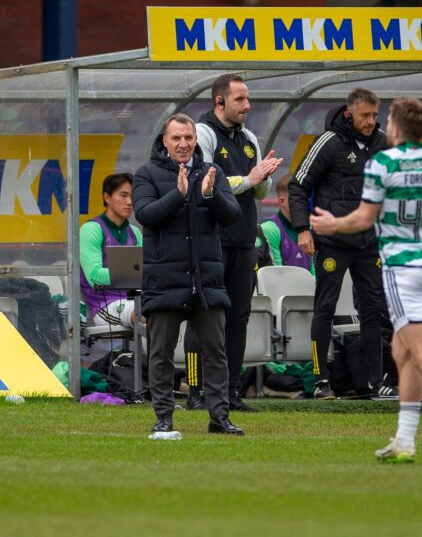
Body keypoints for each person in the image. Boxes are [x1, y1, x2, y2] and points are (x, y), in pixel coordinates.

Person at [311, 97, 422, 465]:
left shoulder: (383, 163)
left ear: (394, 127)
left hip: (403, 268)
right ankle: (404, 440)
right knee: (403, 352)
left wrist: (331, 225)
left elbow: (362, 218)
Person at [133, 113, 242, 439]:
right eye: (176, 138)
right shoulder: (147, 174)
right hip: (164, 281)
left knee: (215, 354)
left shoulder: (213, 172)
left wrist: (210, 195)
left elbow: (233, 215)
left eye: (189, 138)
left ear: (196, 140)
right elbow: (146, 216)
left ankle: (219, 418)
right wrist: (178, 195)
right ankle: (164, 418)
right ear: (164, 141)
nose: (183, 144)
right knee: (161, 354)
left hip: (205, 280)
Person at [289, 88, 394, 399]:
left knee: (372, 309)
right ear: (349, 113)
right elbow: (298, 185)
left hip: (369, 241)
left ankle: (375, 382)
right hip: (333, 240)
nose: (371, 122)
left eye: (375, 115)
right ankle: (321, 381)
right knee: (325, 306)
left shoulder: (383, 143)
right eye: (365, 115)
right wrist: (302, 229)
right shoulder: (329, 142)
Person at [195, 74, 281, 412]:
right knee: (205, 315)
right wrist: (250, 178)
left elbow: (258, 191)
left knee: (238, 318)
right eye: (240, 99)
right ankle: (197, 390)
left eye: (247, 98)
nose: (248, 105)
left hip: (244, 240)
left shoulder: (248, 138)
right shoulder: (203, 133)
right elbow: (206, 182)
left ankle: (229, 393)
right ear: (220, 102)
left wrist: (265, 177)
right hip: (212, 239)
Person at [79, 173, 143, 327]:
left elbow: (144, 270)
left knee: (167, 309)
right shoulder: (91, 229)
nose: (129, 202)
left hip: (135, 300)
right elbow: (94, 276)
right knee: (145, 314)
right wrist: (133, 275)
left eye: (132, 196)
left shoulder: (135, 232)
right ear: (107, 197)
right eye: (123, 195)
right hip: (104, 306)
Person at [261, 174, 313, 273]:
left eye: (306, 197)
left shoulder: (311, 227)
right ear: (282, 201)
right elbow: (277, 275)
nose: (306, 201)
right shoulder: (270, 229)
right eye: (299, 198)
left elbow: (315, 274)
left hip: (308, 288)